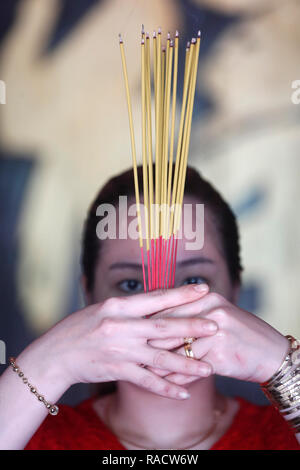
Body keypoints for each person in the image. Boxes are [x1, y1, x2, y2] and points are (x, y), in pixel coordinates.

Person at [0, 166, 299, 450]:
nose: (164, 315)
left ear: (235, 290)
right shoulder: (29, 435)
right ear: (89, 295)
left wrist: (282, 363)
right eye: (131, 285)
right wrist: (47, 363)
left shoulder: (284, 435)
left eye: (193, 281)